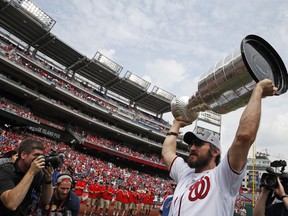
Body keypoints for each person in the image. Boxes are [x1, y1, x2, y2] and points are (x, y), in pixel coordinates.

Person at [161, 79, 277, 216]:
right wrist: (176, 124)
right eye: (191, 144)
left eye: (199, 144)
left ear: (215, 151)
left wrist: (258, 90)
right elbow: (167, 153)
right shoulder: (184, 173)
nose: (192, 148)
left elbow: (244, 136)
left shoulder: (223, 176)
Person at [0, 138, 54, 215]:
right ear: (23, 155)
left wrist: (48, 180)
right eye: (36, 155)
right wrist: (31, 172)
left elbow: (45, 200)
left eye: (41, 156)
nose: (39, 159)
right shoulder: (6, 170)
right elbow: (11, 204)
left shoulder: (37, 172)